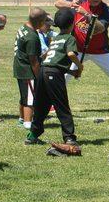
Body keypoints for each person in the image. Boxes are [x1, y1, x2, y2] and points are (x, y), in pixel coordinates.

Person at [25, 8, 83, 145]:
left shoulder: (55, 38)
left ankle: (33, 135)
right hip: (53, 75)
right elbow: (70, 54)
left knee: (41, 106)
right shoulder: (70, 38)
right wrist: (79, 66)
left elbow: (49, 59)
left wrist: (71, 72)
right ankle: (69, 137)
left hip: (43, 71)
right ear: (72, 24)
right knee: (62, 106)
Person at [13, 7, 47, 129]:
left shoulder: (23, 27)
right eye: (44, 21)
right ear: (38, 22)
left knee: (24, 96)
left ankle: (22, 119)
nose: (45, 23)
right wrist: (39, 75)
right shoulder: (32, 37)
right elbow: (33, 61)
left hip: (19, 67)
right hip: (27, 70)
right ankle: (28, 123)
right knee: (30, 98)